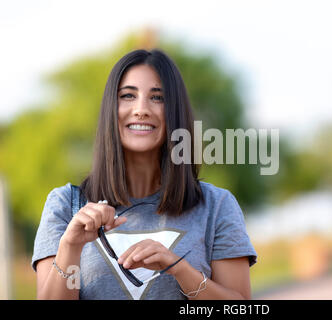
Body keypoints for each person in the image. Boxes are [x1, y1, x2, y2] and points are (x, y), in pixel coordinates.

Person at [31, 48, 257, 300]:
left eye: (157, 98)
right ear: (110, 108)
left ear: (175, 112)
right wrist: (70, 247)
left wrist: (180, 270)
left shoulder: (216, 206)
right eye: (128, 95)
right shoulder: (64, 206)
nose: (141, 109)